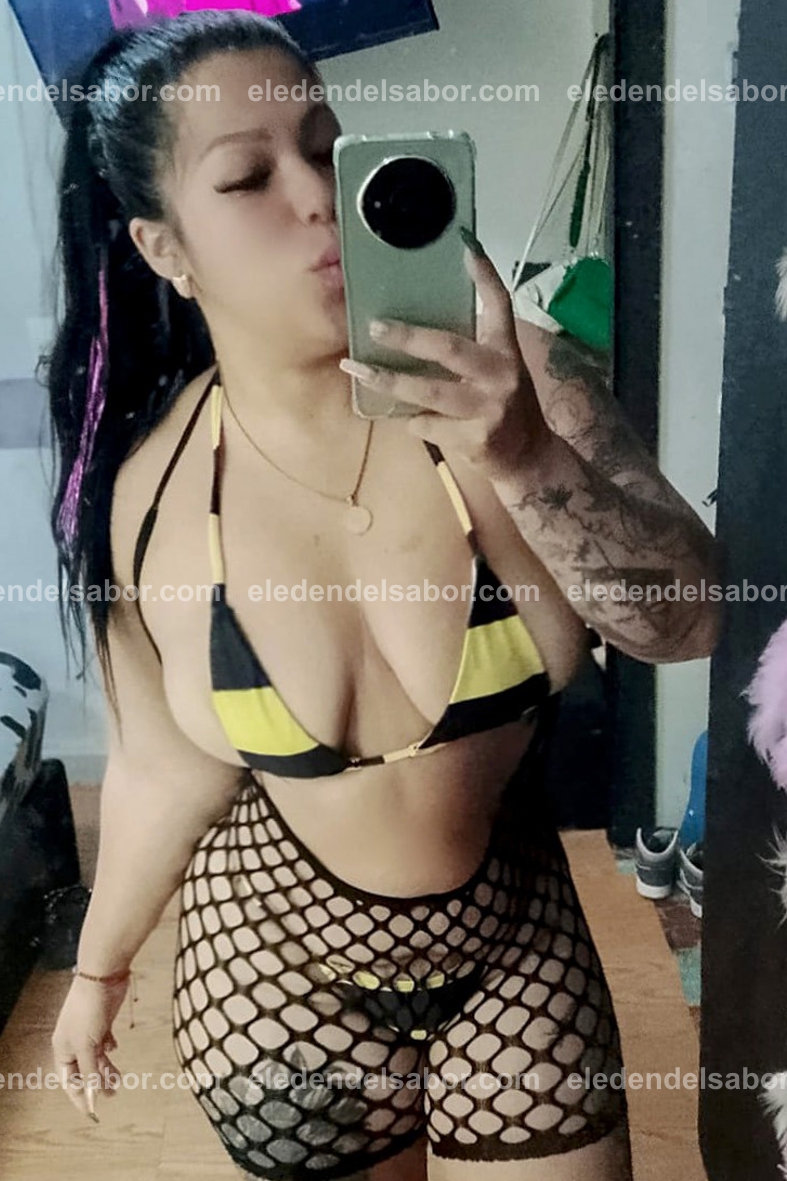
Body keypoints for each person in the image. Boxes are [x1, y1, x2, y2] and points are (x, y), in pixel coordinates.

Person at [46, 11, 719, 1180]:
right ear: (165, 248)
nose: (318, 196)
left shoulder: (528, 381)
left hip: (516, 935)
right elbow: (161, 768)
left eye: (326, 146)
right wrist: (98, 971)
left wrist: (524, 459)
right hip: (270, 960)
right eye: (249, 177)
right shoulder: (149, 491)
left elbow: (691, 620)